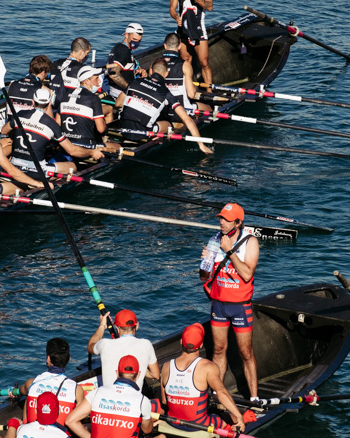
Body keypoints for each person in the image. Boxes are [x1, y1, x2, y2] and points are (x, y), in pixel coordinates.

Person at [198, 203, 259, 398]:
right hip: (219, 304)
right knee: (218, 350)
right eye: (220, 218)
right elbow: (203, 277)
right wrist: (204, 262)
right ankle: (217, 395)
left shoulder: (250, 242)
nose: (221, 222)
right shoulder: (214, 240)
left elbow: (247, 274)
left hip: (240, 306)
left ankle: (255, 397)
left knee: (246, 353)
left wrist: (230, 251)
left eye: (226, 219)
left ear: (238, 222)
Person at [159, 323, 246, 434]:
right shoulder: (208, 367)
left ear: (181, 341)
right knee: (231, 416)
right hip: (198, 425)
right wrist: (239, 416)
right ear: (201, 346)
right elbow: (221, 393)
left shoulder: (166, 366)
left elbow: (164, 401)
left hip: (173, 422)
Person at [117, 58, 213, 155]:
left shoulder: (134, 82)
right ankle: (154, 141)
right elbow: (187, 120)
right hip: (142, 134)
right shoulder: (166, 93)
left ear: (150, 70)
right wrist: (201, 145)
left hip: (122, 128)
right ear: (166, 74)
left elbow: (118, 104)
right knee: (169, 125)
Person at [5, 88, 104, 175]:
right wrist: (92, 152)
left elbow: (3, 130)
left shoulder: (19, 114)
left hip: (14, 164)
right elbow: (72, 151)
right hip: (37, 170)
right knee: (72, 166)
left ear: (33, 102)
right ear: (49, 103)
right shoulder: (52, 125)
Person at [66, 355, 154, 438]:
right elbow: (147, 430)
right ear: (138, 374)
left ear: (117, 373)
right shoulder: (143, 400)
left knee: (88, 426)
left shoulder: (97, 392)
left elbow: (70, 421)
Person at [14, 338, 84, 428]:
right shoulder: (77, 389)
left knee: (28, 395)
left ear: (48, 358)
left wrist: (13, 392)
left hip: (31, 433)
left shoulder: (31, 382)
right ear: (69, 359)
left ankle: (24, 425)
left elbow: (20, 391)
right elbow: (80, 420)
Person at [87, 309, 158, 388]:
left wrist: (102, 326)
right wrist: (142, 365)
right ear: (137, 326)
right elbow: (155, 375)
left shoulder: (105, 344)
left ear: (117, 328)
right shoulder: (146, 345)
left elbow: (90, 346)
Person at [169, 0, 213, 86]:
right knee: (185, 60)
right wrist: (176, 17)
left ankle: (209, 91)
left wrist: (199, 1)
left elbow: (209, 6)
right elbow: (172, 8)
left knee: (204, 62)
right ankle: (188, 88)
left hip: (199, 30)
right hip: (183, 31)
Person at [57, 66, 120, 151]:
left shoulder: (65, 95)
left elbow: (57, 123)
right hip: (86, 145)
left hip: (67, 143)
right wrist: (103, 124)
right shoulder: (94, 98)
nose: (99, 81)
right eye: (96, 78)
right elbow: (101, 129)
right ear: (87, 82)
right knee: (118, 147)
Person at [160, 32, 209, 116]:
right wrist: (193, 88)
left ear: (165, 45)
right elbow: (191, 94)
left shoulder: (155, 64)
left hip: (163, 110)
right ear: (179, 46)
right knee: (208, 108)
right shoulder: (185, 65)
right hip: (182, 111)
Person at [105, 23, 147, 102]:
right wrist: (129, 89)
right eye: (134, 39)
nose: (136, 43)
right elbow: (113, 74)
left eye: (139, 41)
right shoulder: (123, 51)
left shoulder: (119, 47)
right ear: (126, 35)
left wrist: (139, 71)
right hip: (120, 93)